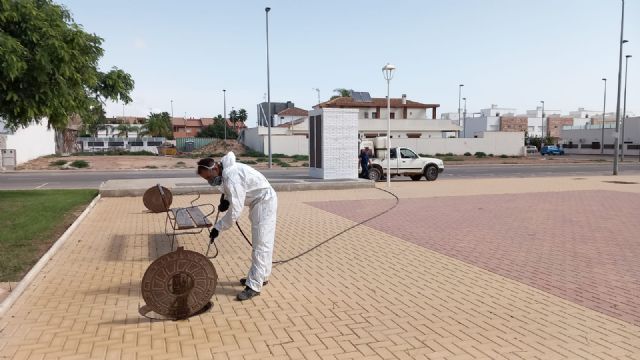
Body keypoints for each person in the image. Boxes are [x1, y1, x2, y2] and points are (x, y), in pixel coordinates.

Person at [196, 152, 278, 301]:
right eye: (206, 179)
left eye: (208, 177)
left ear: (215, 168)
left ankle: (254, 286)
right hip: (258, 202)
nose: (209, 181)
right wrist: (226, 199)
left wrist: (218, 227)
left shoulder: (232, 176)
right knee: (262, 243)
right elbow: (230, 191)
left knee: (261, 245)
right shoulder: (227, 172)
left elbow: (235, 211)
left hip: (264, 202)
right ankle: (261, 276)